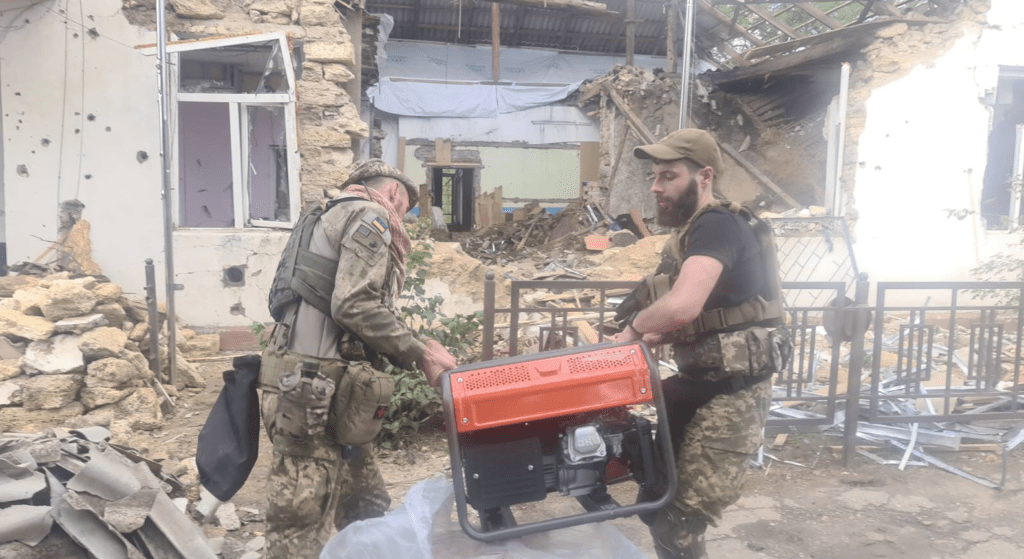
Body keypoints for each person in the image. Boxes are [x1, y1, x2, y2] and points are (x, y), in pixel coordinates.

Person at [256, 159, 458, 559]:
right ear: (394, 194)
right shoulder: (370, 216)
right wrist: (420, 353)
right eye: (406, 210)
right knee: (298, 527)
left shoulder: (325, 217)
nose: (404, 218)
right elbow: (353, 304)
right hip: (313, 397)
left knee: (366, 508)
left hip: (329, 393)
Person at [613, 129, 791, 559]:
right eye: (654, 176)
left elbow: (683, 304)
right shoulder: (692, 234)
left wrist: (637, 329)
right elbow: (713, 313)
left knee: (679, 522)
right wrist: (654, 333)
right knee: (659, 504)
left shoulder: (716, 224)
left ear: (705, 176)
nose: (656, 187)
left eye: (668, 176)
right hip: (702, 384)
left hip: (732, 395)